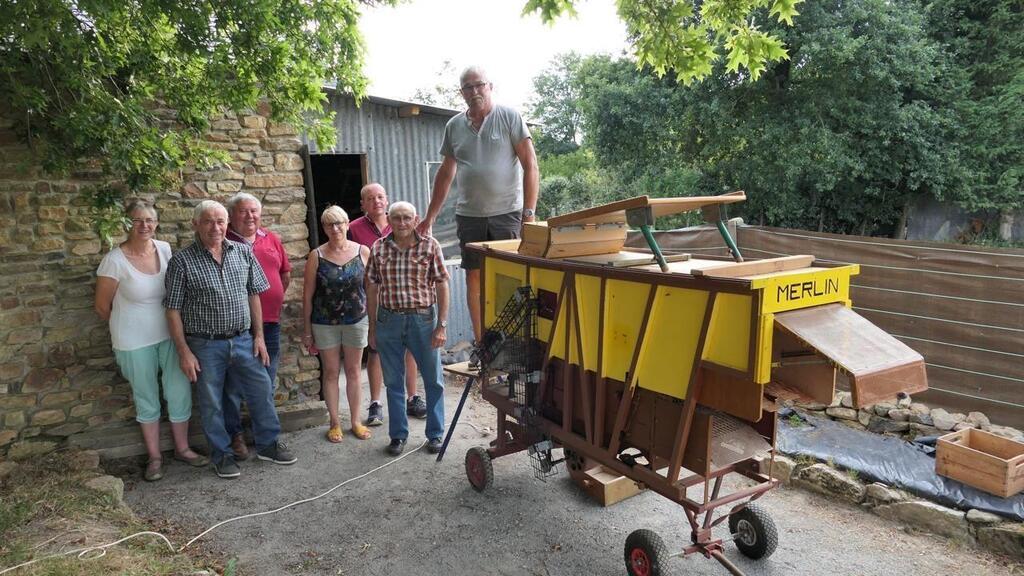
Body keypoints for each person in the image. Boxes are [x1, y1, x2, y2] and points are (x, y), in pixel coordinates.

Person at [165, 200, 297, 479]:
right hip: (205, 344)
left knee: (261, 389)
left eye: (220, 221)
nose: (216, 227)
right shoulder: (182, 261)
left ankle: (268, 444)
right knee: (212, 401)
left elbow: (254, 294)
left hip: (243, 340)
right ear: (195, 224)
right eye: (208, 221)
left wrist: (259, 335)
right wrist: (183, 351)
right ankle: (222, 455)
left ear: (227, 224)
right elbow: (173, 309)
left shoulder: (242, 252)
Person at [418, 65, 539, 351]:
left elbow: (530, 165)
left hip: (507, 212)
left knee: (511, 276)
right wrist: (430, 217)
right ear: (461, 93)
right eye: (467, 88)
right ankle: (483, 343)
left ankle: (515, 342)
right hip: (469, 215)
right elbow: (446, 174)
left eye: (478, 85)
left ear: (490, 86)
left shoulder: (509, 117)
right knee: (474, 276)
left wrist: (529, 214)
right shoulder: (454, 126)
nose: (474, 92)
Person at [94, 200, 208, 481]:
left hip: (171, 335)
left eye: (149, 220)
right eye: (137, 220)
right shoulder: (114, 260)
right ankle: (155, 457)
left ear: (156, 223)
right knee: (147, 398)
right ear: (126, 223)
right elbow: (101, 306)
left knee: (179, 391)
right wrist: (130, 325)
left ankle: (182, 449)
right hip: (133, 342)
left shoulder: (166, 250)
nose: (144, 225)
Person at [367, 201, 450, 456]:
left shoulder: (430, 245)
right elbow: (371, 286)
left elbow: (442, 284)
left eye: (407, 218)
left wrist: (441, 325)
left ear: (415, 220)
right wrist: (372, 326)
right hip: (388, 320)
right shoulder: (378, 248)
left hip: (423, 321)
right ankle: (398, 436)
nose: (402, 223)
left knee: (433, 380)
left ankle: (435, 435)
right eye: (396, 218)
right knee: (393, 382)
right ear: (389, 220)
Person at [223, 192, 292, 459]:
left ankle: (264, 436)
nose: (250, 216)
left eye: (254, 211)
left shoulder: (270, 238)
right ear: (232, 215)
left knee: (266, 381)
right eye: (243, 211)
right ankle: (235, 435)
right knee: (232, 386)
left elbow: (285, 274)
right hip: (238, 325)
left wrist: (272, 300)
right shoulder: (224, 240)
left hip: (270, 323)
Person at [348, 183, 424, 426]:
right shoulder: (353, 229)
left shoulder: (402, 221)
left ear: (387, 199)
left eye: (380, 197)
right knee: (376, 349)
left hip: (403, 296)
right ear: (363, 205)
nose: (376, 201)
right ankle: (375, 403)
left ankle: (412, 397)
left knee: (409, 348)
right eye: (370, 198)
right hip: (371, 296)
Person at [302, 206, 373, 443]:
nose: (335, 228)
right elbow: (308, 295)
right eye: (329, 224)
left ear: (347, 224)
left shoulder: (363, 251)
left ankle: (355, 421)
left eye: (339, 223)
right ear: (323, 228)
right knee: (331, 372)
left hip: (357, 320)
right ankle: (334, 422)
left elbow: (372, 289)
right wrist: (307, 330)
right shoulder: (316, 256)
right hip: (324, 323)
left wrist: (374, 321)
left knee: (354, 371)